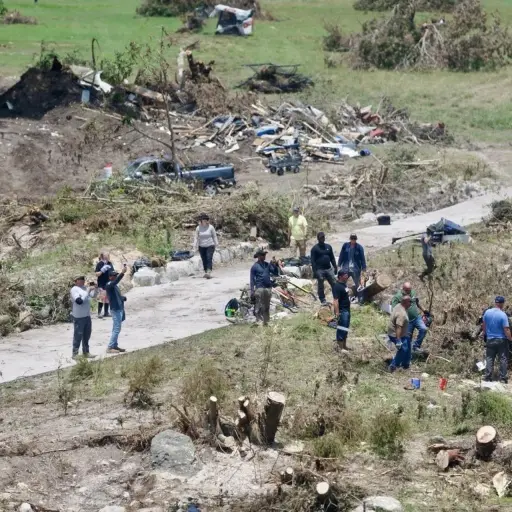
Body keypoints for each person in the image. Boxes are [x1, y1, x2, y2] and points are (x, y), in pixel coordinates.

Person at [482, 296, 512, 383]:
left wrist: (485, 333)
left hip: (490, 339)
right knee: (503, 359)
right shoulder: (503, 315)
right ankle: (503, 378)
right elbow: (506, 329)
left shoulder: (487, 312)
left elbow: (483, 325)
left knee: (489, 358)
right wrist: (510, 338)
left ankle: (487, 377)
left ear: (495, 303)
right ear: (502, 304)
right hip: (501, 340)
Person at [391, 282, 428, 351]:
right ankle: (407, 354)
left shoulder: (413, 292)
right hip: (406, 322)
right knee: (407, 339)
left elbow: (416, 302)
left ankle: (416, 346)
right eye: (407, 290)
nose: (409, 291)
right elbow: (394, 310)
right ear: (403, 289)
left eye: (410, 290)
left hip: (416, 317)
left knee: (424, 329)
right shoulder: (397, 297)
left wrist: (424, 310)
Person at [70, 276, 97, 360]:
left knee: (86, 335)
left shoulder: (85, 288)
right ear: (76, 281)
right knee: (78, 335)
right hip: (79, 317)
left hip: (87, 316)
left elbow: (93, 296)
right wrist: (88, 291)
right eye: (80, 280)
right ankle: (75, 353)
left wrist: (95, 288)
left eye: (83, 280)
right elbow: (79, 301)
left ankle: (86, 352)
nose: (82, 281)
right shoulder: (74, 289)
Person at [106, 265, 129, 354]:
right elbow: (115, 281)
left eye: (116, 275)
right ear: (110, 277)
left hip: (119, 308)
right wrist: (122, 273)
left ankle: (114, 345)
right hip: (115, 309)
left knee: (116, 328)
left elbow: (115, 296)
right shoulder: (109, 284)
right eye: (114, 276)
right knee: (116, 328)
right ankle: (110, 347)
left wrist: (122, 298)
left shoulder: (114, 285)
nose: (115, 277)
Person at [310, 232, 337, 305]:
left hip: (329, 269)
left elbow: (332, 258)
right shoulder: (314, 249)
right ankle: (322, 299)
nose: (323, 238)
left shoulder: (328, 247)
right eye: (321, 237)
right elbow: (312, 261)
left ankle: (336, 297)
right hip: (320, 270)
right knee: (321, 283)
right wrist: (315, 272)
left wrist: (335, 267)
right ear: (318, 238)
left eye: (323, 237)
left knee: (334, 283)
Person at [388, 295, 412, 372]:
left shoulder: (399, 305)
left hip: (403, 334)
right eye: (410, 302)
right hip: (396, 335)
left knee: (408, 346)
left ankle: (405, 365)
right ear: (405, 302)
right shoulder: (402, 314)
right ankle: (393, 366)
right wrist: (398, 340)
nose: (411, 304)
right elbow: (398, 327)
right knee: (403, 349)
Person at [250, 249, 273, 326]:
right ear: (259, 257)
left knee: (267, 306)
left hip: (267, 288)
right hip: (259, 288)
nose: (264, 256)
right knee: (259, 305)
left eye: (265, 255)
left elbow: (274, 271)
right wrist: (252, 291)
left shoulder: (267, 265)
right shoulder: (255, 266)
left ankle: (266, 321)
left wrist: (275, 264)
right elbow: (252, 280)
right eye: (262, 255)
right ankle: (259, 321)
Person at [193, 212, 219, 279]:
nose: (204, 221)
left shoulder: (211, 227)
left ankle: (208, 272)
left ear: (207, 220)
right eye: (203, 220)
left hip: (210, 245)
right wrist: (194, 245)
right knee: (204, 259)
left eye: (205, 220)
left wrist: (216, 244)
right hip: (201, 246)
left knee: (208, 258)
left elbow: (214, 236)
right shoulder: (198, 228)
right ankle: (206, 271)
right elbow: (196, 237)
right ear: (201, 221)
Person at [333, 270, 351, 351]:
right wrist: (337, 313)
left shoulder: (344, 285)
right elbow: (335, 300)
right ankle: (339, 348)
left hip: (347, 310)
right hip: (342, 311)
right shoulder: (336, 286)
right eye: (345, 275)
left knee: (346, 328)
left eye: (347, 275)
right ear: (340, 276)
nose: (347, 276)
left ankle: (344, 346)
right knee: (342, 328)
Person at [95, 252, 114, 318]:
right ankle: (99, 313)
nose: (107, 257)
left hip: (108, 283)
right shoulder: (99, 264)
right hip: (101, 284)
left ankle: (106, 312)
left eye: (108, 255)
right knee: (102, 298)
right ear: (103, 256)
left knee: (107, 298)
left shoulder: (110, 263)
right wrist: (102, 271)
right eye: (106, 255)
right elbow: (96, 274)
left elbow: (112, 272)